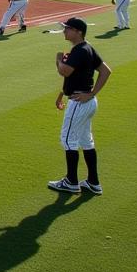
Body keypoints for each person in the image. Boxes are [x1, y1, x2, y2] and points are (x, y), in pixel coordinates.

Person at [48, 17, 111, 195]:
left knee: (68, 140)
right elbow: (104, 71)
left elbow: (64, 71)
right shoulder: (87, 48)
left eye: (68, 28)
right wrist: (88, 94)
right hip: (88, 102)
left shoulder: (80, 50)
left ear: (78, 32)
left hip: (79, 102)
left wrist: (58, 60)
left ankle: (71, 182)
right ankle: (93, 182)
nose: (64, 31)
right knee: (86, 141)